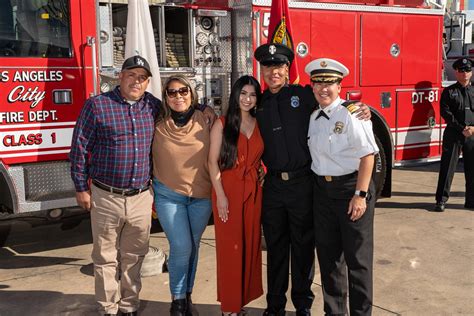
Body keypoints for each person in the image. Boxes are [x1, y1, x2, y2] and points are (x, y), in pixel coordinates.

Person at [253, 43, 371, 316]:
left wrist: (361, 106)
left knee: (304, 249)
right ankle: (275, 306)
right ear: (262, 70)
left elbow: (333, 101)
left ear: (287, 70)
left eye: (279, 67)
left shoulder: (303, 96)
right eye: (268, 67)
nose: (273, 72)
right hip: (273, 187)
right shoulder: (258, 103)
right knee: (276, 248)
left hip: (303, 185)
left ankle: (303, 305)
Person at [70, 55, 158, 316]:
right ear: (120, 76)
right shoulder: (97, 106)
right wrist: (81, 188)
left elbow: (182, 112)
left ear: (147, 82)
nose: (136, 81)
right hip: (105, 195)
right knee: (105, 257)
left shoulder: (153, 106)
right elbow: (79, 148)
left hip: (141, 197)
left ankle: (129, 305)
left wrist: (206, 111)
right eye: (131, 75)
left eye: (142, 77)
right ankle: (108, 307)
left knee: (134, 257)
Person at [306, 58, 379, 315]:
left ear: (339, 86)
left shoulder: (352, 113)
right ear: (312, 86)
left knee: (357, 262)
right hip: (322, 194)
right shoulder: (314, 117)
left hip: (350, 190)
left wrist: (360, 195)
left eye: (329, 83)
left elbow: (367, 155)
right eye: (318, 83)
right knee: (329, 260)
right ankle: (334, 312)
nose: (323, 88)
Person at [152, 74, 212, 316]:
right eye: (172, 92)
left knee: (193, 247)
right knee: (181, 246)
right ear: (165, 97)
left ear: (191, 93)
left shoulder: (206, 119)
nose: (178, 96)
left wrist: (205, 107)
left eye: (183, 91)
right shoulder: (155, 120)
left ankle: (187, 295)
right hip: (168, 195)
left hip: (201, 196)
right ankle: (177, 302)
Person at [208, 75, 265, 316]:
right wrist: (220, 196)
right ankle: (229, 308)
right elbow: (212, 162)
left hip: (253, 192)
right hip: (228, 189)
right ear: (235, 95)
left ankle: (239, 301)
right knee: (230, 248)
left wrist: (263, 170)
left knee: (249, 246)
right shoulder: (222, 123)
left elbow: (262, 155)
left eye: (252, 95)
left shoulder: (259, 122)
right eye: (243, 93)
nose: (247, 99)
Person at [434, 57, 474, 212]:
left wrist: (472, 129)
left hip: (472, 135)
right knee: (447, 168)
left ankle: (471, 201)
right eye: (462, 71)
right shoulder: (449, 92)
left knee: (472, 170)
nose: (465, 73)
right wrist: (462, 128)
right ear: (456, 72)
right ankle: (441, 200)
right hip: (454, 134)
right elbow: (446, 113)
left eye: (468, 70)